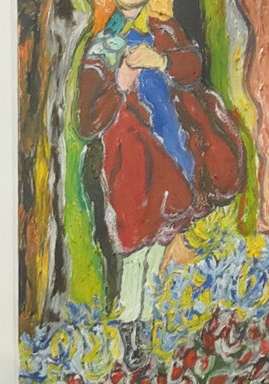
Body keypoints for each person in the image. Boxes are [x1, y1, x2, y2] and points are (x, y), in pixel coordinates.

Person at [77, 0, 244, 361]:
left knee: (158, 246)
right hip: (130, 167)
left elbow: (193, 68)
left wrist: (162, 61)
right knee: (134, 250)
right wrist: (120, 82)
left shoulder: (164, 30)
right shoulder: (101, 49)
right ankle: (129, 332)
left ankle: (148, 330)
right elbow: (87, 122)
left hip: (172, 157)